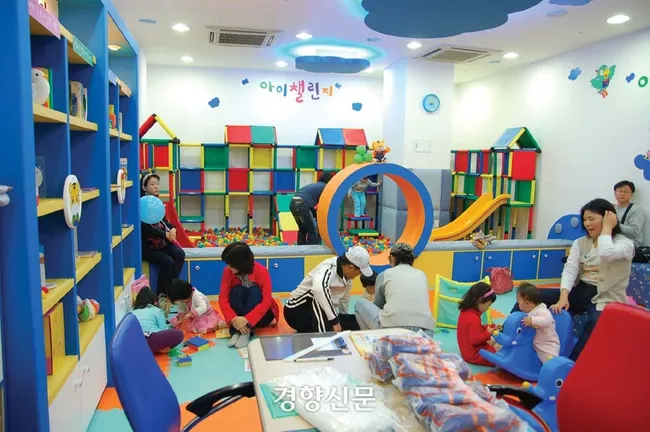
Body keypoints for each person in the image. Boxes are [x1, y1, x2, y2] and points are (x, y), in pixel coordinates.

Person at [512, 198, 634, 361]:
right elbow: (570, 270)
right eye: (585, 219)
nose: (587, 223)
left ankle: (572, 364)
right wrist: (564, 296)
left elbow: (607, 252)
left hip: (605, 296)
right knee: (528, 296)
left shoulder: (625, 244)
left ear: (607, 218)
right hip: (581, 291)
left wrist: (607, 228)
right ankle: (510, 339)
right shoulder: (580, 243)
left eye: (591, 219)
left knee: (596, 323)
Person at [284, 246, 372, 333]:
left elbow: (344, 300)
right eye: (359, 272)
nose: (358, 275)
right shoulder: (327, 268)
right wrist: (334, 321)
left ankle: (327, 328)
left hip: (319, 315)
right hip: (296, 312)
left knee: (357, 322)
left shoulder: (348, 279)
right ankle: (324, 334)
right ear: (351, 267)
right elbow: (318, 290)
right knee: (318, 293)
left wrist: (341, 319)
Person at [354, 243, 436, 336]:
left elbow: (378, 305)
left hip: (392, 330)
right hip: (425, 332)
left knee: (359, 303)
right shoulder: (422, 275)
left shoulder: (385, 274)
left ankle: (372, 340)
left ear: (392, 258)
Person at [218, 242, 279, 349]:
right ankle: (236, 331)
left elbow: (266, 301)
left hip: (261, 316)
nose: (228, 267)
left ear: (240, 264)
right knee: (237, 291)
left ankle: (246, 331)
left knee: (254, 290)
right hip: (238, 316)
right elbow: (223, 298)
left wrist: (247, 319)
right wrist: (233, 319)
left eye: (231, 264)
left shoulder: (262, 271)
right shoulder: (227, 271)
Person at [140, 171, 185, 309]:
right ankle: (161, 294)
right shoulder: (141, 204)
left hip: (161, 243)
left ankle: (173, 290)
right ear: (144, 187)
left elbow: (165, 221)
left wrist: (172, 229)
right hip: (147, 246)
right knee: (167, 261)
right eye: (152, 184)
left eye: (157, 184)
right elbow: (145, 228)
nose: (156, 186)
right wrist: (164, 234)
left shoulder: (157, 203)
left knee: (180, 254)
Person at [457, 281, 499, 367]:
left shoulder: (466, 311)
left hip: (467, 351)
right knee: (500, 348)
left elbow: (472, 330)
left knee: (494, 341)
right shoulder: (474, 318)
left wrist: (486, 327)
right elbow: (475, 340)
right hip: (474, 354)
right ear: (480, 301)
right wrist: (488, 332)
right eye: (488, 305)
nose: (488, 308)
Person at [516, 282, 560, 363]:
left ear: (528, 303)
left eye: (519, 303)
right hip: (534, 343)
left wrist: (532, 321)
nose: (518, 306)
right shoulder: (529, 312)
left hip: (547, 345)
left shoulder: (542, 311)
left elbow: (547, 321)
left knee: (549, 362)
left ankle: (554, 366)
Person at [131, 287, 184, 353]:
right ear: (153, 302)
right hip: (149, 340)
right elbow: (163, 330)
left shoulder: (132, 311)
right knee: (179, 334)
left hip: (133, 343)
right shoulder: (156, 310)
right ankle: (158, 349)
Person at [290, 172, 334, 245]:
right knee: (312, 231)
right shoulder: (325, 187)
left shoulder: (315, 185)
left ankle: (300, 248)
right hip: (303, 203)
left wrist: (314, 212)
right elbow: (324, 204)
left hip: (293, 202)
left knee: (302, 229)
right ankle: (311, 249)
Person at [613, 180, 645, 247]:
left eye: (626, 192)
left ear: (631, 194)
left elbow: (634, 231)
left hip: (631, 244)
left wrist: (614, 224)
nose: (622, 194)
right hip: (615, 242)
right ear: (615, 193)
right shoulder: (612, 208)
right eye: (620, 191)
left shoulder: (636, 209)